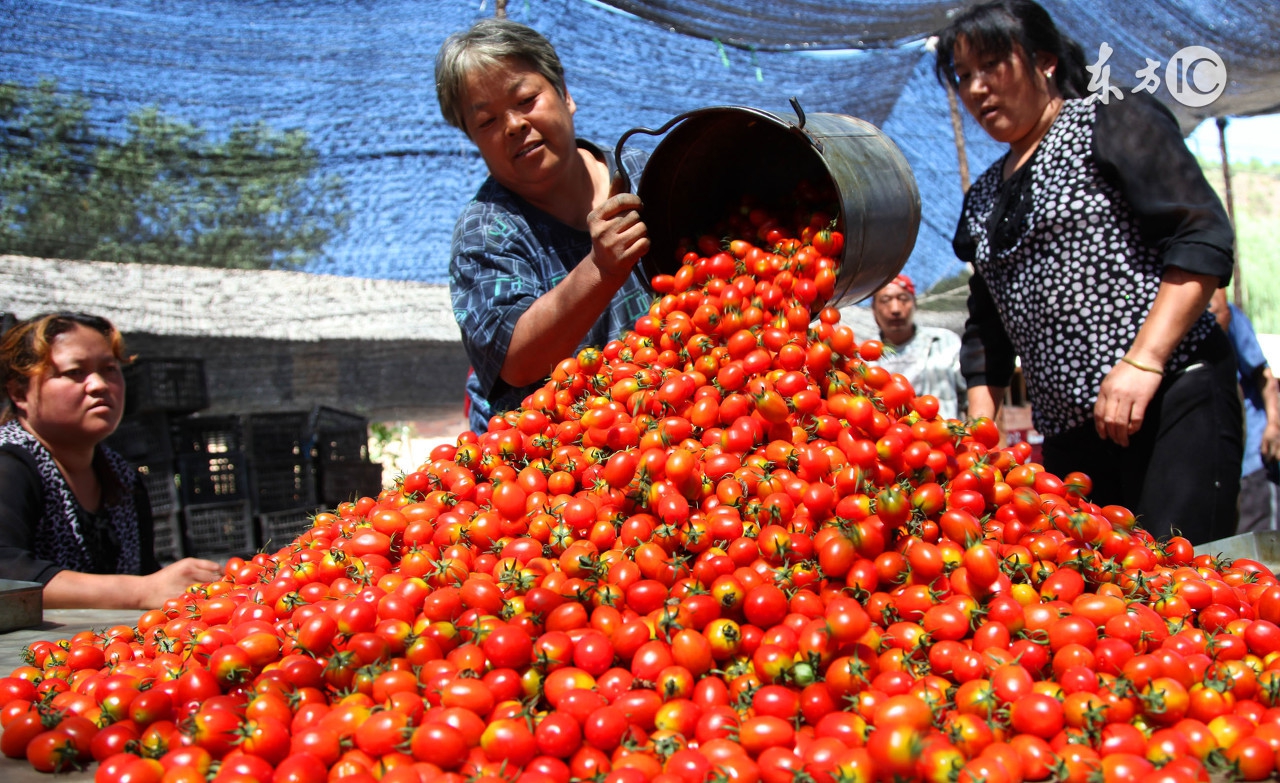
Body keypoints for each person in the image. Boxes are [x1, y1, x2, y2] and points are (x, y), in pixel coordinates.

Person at [935, 0, 1241, 544]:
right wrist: (980, 427)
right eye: (963, 77)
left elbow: (1200, 236)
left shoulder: (1110, 119)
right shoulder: (983, 195)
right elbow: (986, 319)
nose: (976, 88)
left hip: (1169, 399)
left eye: (991, 66)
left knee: (1184, 586)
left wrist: (1144, 362)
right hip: (1070, 436)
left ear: (1045, 60)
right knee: (1099, 600)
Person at [435, 18, 653, 433]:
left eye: (526, 99)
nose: (514, 125)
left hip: (675, 417)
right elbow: (517, 360)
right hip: (557, 458)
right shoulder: (485, 233)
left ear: (565, 95)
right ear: (473, 140)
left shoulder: (647, 175)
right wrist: (600, 269)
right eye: (486, 122)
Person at [0, 312, 222, 609]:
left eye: (109, 369)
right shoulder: (9, 464)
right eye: (75, 372)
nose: (98, 385)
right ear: (19, 393)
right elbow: (6, 573)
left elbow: (145, 574)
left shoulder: (123, 480)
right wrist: (141, 591)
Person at [1210, 291, 1280, 533]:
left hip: (1254, 457)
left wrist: (1274, 425)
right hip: (1218, 466)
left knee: (1264, 548)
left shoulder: (1231, 317)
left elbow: (1265, 376)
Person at [869, 273, 966, 420]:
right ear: (874, 311)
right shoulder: (864, 359)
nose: (895, 309)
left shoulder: (945, 342)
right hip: (895, 440)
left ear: (915, 304)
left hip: (945, 439)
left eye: (903, 299)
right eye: (885, 300)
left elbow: (973, 395)